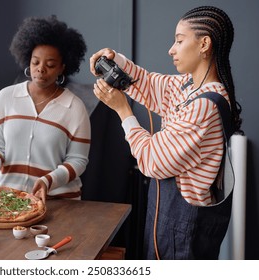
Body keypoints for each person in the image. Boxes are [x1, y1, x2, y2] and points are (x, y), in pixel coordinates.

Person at [90, 6, 242, 259]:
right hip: (165, 217)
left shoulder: (204, 105)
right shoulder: (186, 86)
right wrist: (113, 59)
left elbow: (152, 161)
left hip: (184, 229)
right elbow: (147, 83)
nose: (171, 49)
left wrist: (122, 111)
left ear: (204, 44)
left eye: (179, 41)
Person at [0, 15, 90, 203]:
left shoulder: (75, 108)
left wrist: (48, 181)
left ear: (62, 67)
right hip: (8, 201)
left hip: (60, 203)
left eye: (50, 65)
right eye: (35, 62)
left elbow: (78, 161)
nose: (41, 69)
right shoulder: (6, 97)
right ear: (27, 60)